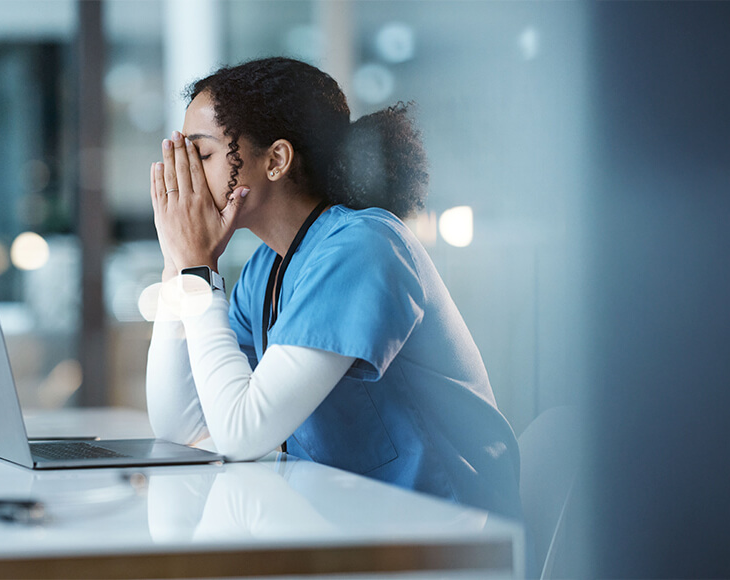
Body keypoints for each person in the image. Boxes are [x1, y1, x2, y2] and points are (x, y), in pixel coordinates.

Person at [146, 57, 522, 518]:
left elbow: (239, 434)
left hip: (447, 534)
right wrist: (176, 263)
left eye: (201, 155)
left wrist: (198, 271)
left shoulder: (364, 248)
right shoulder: (267, 267)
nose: (184, 177)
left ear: (276, 160)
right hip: (350, 520)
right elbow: (179, 425)